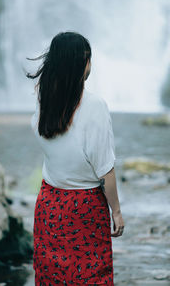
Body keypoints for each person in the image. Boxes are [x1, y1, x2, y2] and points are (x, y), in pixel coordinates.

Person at [27, 31, 124, 285]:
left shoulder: (42, 98)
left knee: (52, 276)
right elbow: (105, 170)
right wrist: (116, 211)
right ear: (83, 63)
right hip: (85, 208)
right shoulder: (95, 106)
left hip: (49, 203)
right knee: (91, 277)